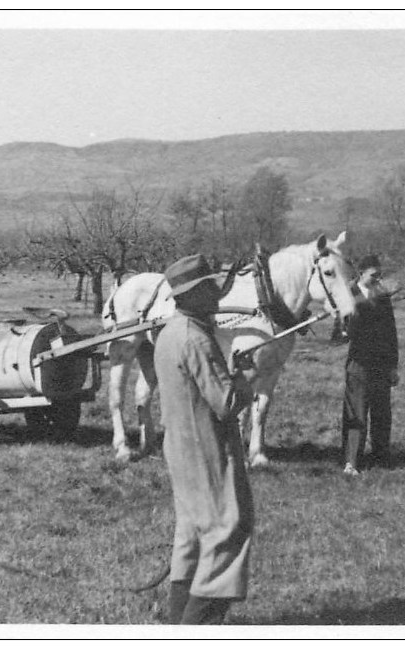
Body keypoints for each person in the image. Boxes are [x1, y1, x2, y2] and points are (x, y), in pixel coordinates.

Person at [153, 254, 255, 625]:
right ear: (193, 294)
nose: (217, 291)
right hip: (206, 450)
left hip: (180, 449)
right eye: (210, 286)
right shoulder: (196, 338)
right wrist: (242, 375)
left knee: (193, 536)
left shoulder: (170, 332)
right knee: (228, 528)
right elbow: (226, 403)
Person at [340, 254, 399, 476]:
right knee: (356, 412)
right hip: (358, 364)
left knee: (382, 413)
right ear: (361, 273)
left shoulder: (382, 295)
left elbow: (391, 331)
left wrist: (393, 366)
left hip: (381, 363)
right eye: (374, 274)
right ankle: (351, 461)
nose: (377, 278)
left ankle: (381, 457)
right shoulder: (346, 293)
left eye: (379, 274)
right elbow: (340, 329)